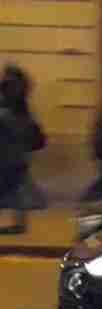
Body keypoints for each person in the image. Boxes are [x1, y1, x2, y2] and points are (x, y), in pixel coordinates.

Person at [0, 64, 46, 234]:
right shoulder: (21, 102)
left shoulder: (10, 104)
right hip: (16, 154)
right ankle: (20, 223)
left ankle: (20, 223)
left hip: (9, 155)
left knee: (13, 187)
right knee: (16, 188)